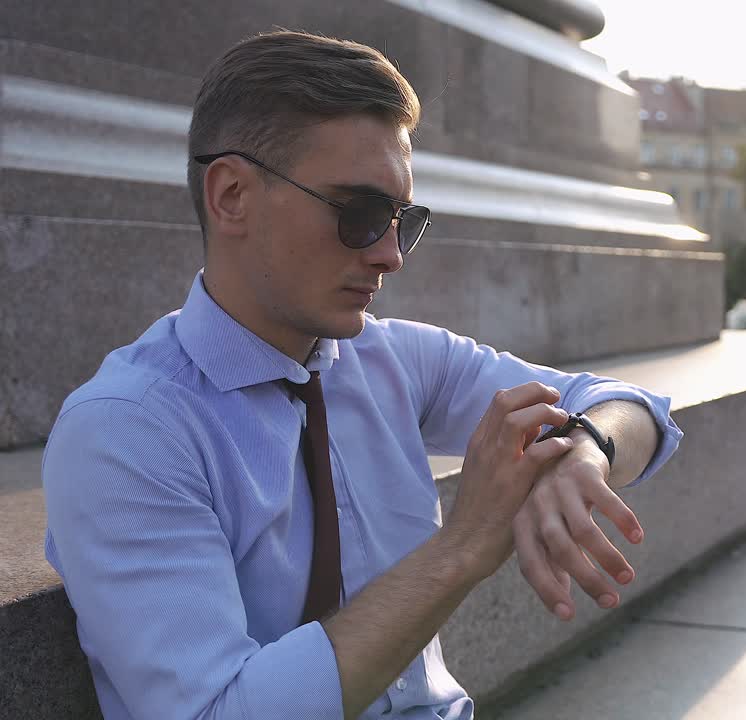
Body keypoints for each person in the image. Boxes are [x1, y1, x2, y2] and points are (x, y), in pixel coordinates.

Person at [40, 30, 682, 720]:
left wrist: (585, 448)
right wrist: (462, 547)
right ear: (230, 196)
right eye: (360, 214)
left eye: (403, 220)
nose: (390, 256)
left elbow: (634, 406)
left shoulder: (393, 359)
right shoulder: (127, 428)